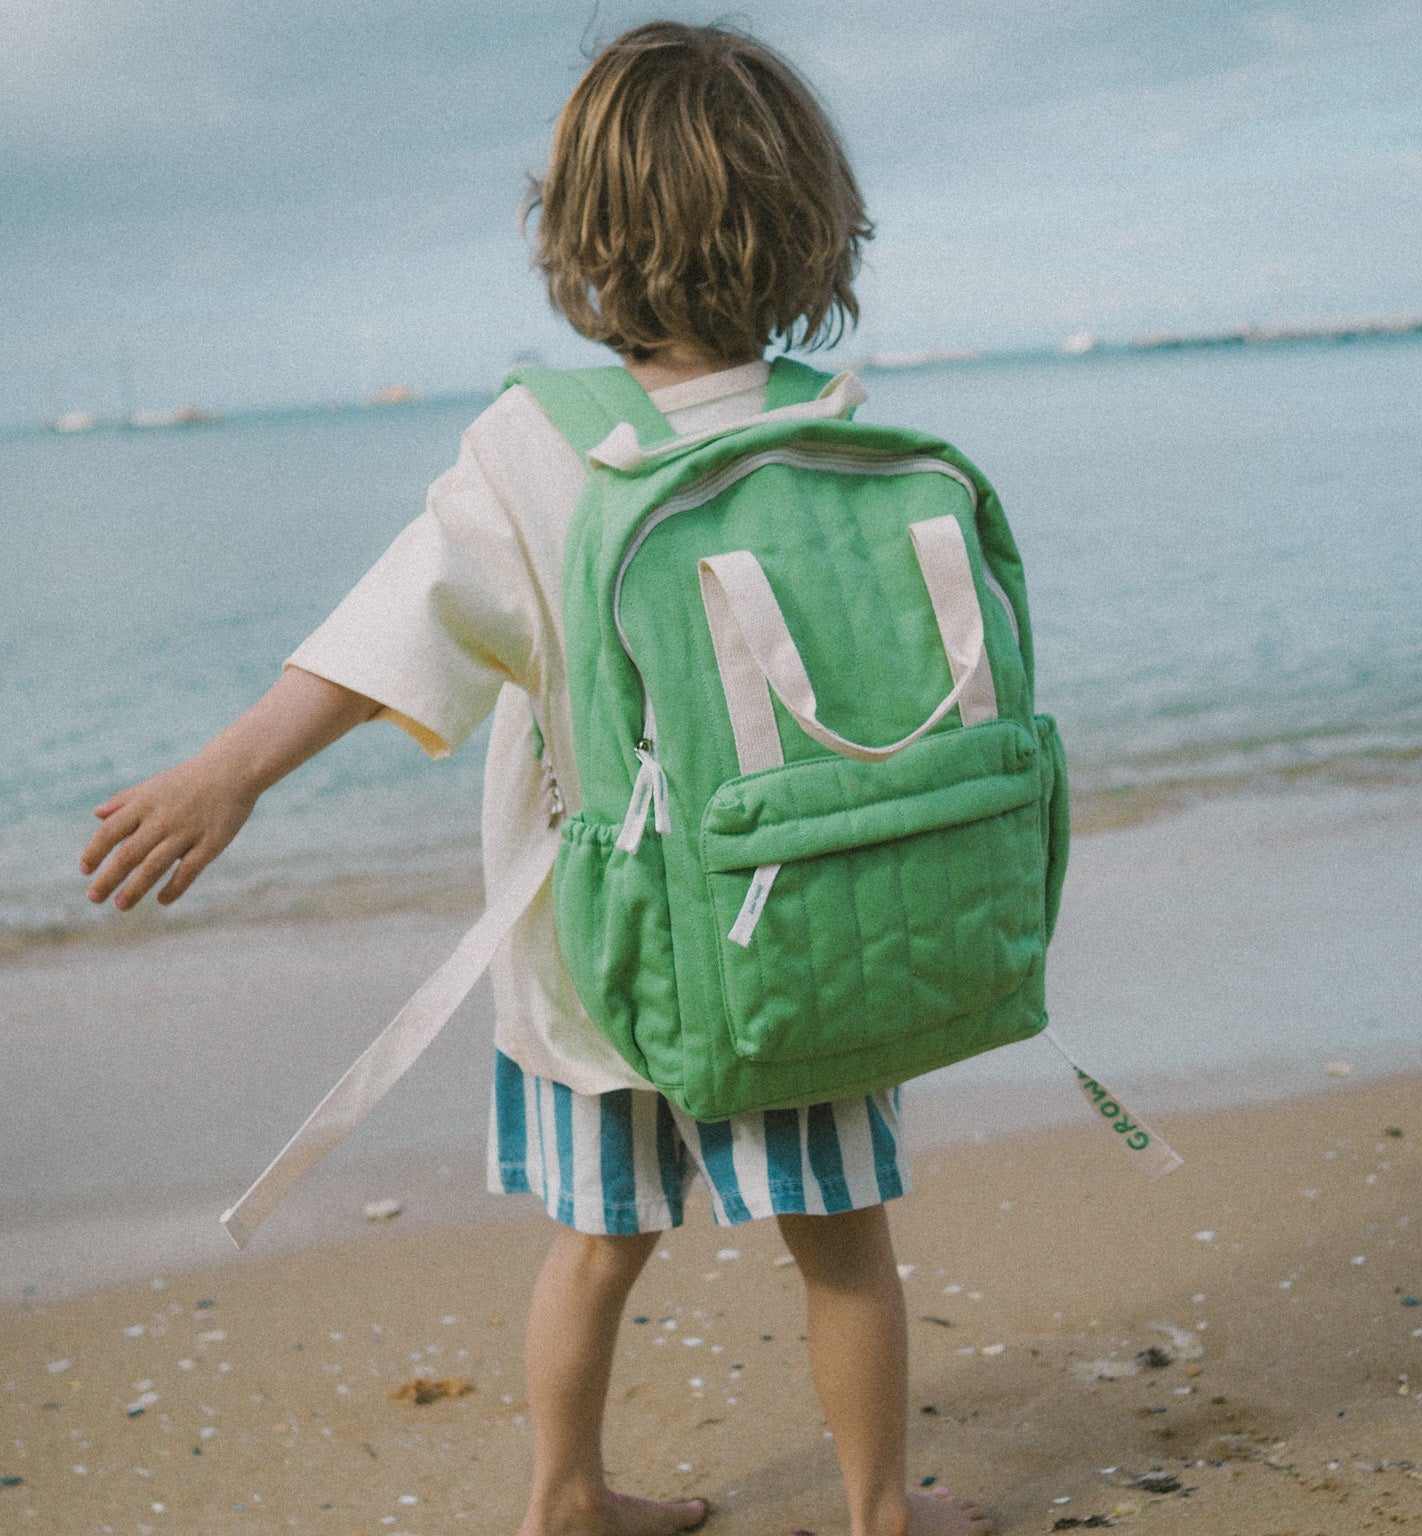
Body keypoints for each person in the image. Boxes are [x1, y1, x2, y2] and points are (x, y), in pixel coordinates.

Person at [79, 23, 993, 1536]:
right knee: (845, 1249)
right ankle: (885, 1512)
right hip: (800, 942)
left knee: (594, 1247)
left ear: (578, 237)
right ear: (810, 228)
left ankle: (565, 1498)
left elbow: (394, 630)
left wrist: (230, 770)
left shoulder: (535, 448)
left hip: (601, 956)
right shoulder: (843, 441)